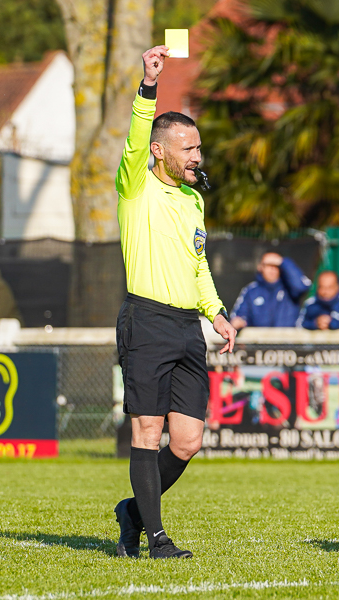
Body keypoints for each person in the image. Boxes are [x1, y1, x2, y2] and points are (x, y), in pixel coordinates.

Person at [112, 46, 236, 560]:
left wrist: (217, 313)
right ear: (160, 152)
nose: (197, 157)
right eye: (188, 149)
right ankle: (157, 537)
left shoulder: (193, 199)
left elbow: (198, 264)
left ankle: (133, 512)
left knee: (186, 441)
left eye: (199, 148)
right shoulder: (135, 184)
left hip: (187, 326)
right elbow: (137, 137)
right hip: (145, 320)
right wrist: (148, 85)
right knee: (147, 430)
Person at [229, 252, 311, 329]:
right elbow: (239, 316)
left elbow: (302, 286)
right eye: (268, 265)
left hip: (288, 342)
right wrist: (240, 321)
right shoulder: (251, 291)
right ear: (260, 267)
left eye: (276, 265)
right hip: (258, 342)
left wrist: (283, 262)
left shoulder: (290, 288)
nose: (272, 269)